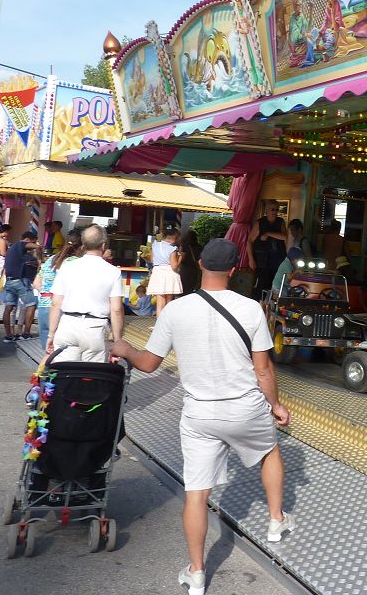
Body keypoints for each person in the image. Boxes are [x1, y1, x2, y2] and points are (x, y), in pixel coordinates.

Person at [109, 238, 293, 594]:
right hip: (245, 407)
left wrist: (125, 348)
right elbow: (264, 370)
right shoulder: (251, 308)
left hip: (199, 415)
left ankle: (196, 573)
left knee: (196, 493)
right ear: (234, 270)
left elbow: (148, 364)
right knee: (269, 451)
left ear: (200, 264)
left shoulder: (175, 310)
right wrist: (276, 406)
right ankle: (276, 521)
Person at [47, 224, 124, 362]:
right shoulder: (113, 272)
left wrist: (51, 334)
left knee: (65, 371)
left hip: (67, 324)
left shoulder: (67, 267)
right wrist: (117, 340)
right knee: (92, 373)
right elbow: (116, 309)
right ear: (103, 245)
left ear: (83, 244)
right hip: (95, 328)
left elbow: (56, 304)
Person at [33, 230, 83, 350]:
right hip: (61, 309)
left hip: (43, 306)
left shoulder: (51, 259)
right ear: (82, 247)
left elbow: (36, 283)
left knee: (47, 350)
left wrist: (47, 293)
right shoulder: (76, 262)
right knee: (61, 351)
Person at [1, 231, 40, 343]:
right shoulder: (20, 244)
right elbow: (36, 247)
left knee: (9, 307)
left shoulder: (13, 250)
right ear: (27, 239)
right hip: (20, 281)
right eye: (33, 241)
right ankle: (26, 334)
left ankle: (8, 336)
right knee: (31, 305)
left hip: (9, 281)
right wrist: (38, 250)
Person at [247, 201, 287, 299]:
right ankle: (258, 303)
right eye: (272, 209)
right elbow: (249, 241)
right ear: (267, 210)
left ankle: (270, 304)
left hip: (277, 258)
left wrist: (268, 234)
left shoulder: (280, 221)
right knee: (261, 285)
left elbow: (284, 236)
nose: (275, 212)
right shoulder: (259, 223)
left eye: (277, 210)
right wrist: (251, 259)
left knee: (274, 286)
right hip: (262, 259)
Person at [147, 227, 183, 315]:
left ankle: (159, 322)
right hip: (169, 273)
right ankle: (167, 322)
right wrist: (180, 258)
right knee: (169, 302)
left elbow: (152, 260)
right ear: (174, 237)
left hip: (157, 273)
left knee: (160, 303)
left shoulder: (155, 245)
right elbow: (174, 266)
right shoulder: (172, 249)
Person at [177, 230, 202, 295]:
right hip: (195, 269)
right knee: (192, 288)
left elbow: (181, 258)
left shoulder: (184, 247)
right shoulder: (200, 247)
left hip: (185, 269)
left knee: (184, 289)